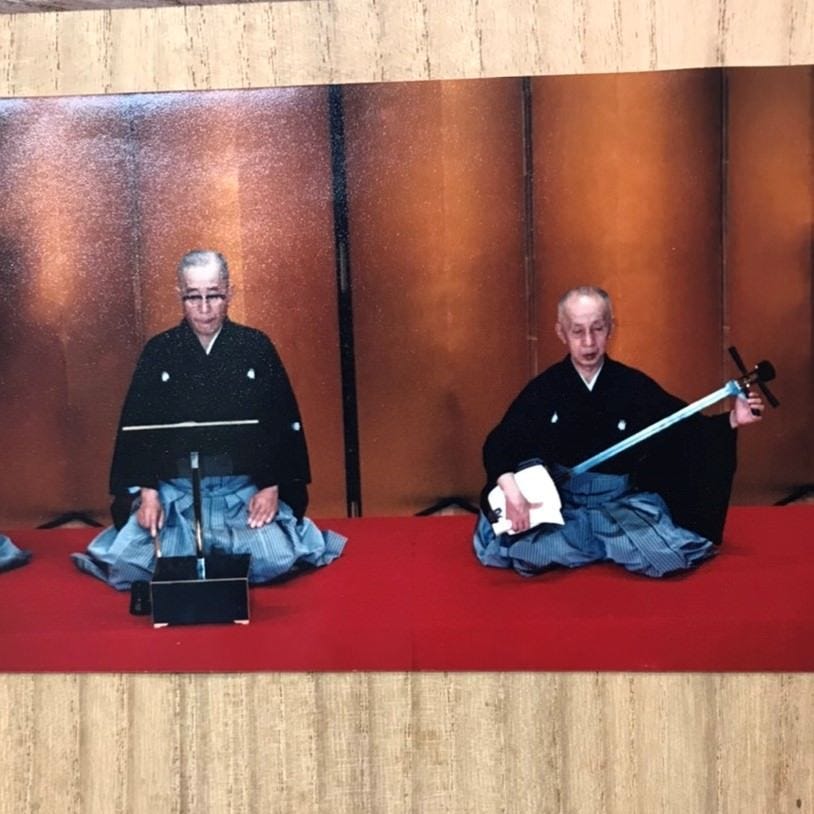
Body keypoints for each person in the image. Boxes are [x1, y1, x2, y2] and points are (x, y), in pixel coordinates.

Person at [72, 250, 346, 590]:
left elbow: (282, 421)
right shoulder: (159, 350)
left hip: (239, 491)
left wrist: (271, 486)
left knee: (272, 559)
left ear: (229, 292)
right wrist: (148, 493)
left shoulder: (255, 346)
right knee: (133, 563)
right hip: (177, 492)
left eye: (214, 295)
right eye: (193, 297)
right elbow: (138, 429)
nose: (204, 308)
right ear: (180, 295)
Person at [473, 285, 764, 578]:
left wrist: (732, 419)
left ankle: (593, 545)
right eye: (577, 331)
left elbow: (684, 428)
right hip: (562, 503)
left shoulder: (632, 385)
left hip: (618, 504)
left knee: (670, 557)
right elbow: (500, 442)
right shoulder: (546, 388)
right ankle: (603, 545)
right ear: (561, 332)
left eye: (598, 329)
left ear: (611, 328)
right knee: (523, 553)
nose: (589, 342)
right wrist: (513, 492)